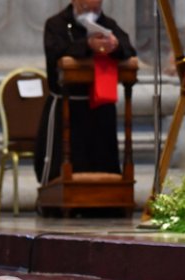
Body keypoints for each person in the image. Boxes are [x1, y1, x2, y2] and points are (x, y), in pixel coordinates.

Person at [35, 0, 137, 185]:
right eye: (86, 5)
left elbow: (129, 49)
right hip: (68, 107)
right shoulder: (56, 24)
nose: (92, 9)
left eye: (96, 6)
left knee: (101, 160)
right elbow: (56, 52)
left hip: (100, 107)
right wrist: (88, 45)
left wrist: (115, 46)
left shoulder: (108, 24)